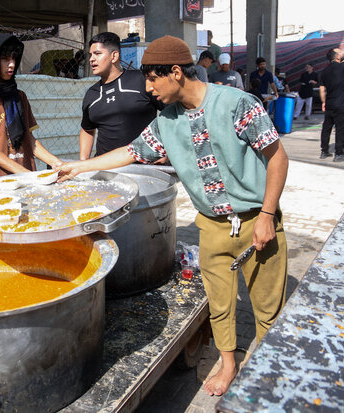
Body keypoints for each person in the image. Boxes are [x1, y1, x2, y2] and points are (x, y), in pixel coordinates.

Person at [57, 35, 288, 397]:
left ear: (176, 73)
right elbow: (130, 152)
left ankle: (270, 368)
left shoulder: (237, 103)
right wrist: (80, 168)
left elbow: (277, 157)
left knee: (268, 306)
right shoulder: (167, 121)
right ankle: (228, 365)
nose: (148, 88)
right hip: (212, 226)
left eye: (152, 79)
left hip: (258, 219)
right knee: (220, 303)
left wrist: (268, 214)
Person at [0, 34, 62, 181]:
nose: (12, 64)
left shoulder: (19, 96)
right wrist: (24, 173)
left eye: (14, 58)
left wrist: (56, 162)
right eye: (5, 59)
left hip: (26, 177)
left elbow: (30, 140)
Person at [78, 32, 163, 160]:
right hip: (106, 169)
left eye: (97, 54)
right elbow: (87, 129)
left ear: (114, 56)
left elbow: (173, 114)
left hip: (146, 167)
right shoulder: (92, 93)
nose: (91, 59)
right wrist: (84, 162)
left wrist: (166, 149)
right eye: (90, 55)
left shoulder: (141, 81)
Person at [319, 47, 344, 161]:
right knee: (340, 129)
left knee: (326, 128)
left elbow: (322, 89)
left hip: (329, 103)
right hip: (341, 103)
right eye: (340, 51)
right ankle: (338, 154)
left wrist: (323, 102)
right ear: (337, 56)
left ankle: (324, 151)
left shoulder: (324, 71)